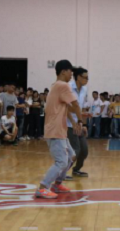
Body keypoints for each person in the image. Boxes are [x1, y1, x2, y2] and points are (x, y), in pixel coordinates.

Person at [34, 60, 84, 200]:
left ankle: (57, 184)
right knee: (61, 161)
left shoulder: (55, 86)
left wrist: (74, 121)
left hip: (59, 130)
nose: (71, 74)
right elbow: (75, 105)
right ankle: (42, 188)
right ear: (63, 71)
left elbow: (68, 108)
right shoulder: (63, 85)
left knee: (71, 156)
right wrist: (81, 122)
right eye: (70, 71)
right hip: (55, 130)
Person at [68, 67, 90, 177]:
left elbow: (81, 109)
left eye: (88, 77)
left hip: (79, 124)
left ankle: (76, 169)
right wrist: (73, 122)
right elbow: (65, 108)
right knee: (75, 150)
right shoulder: (68, 87)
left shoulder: (84, 90)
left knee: (84, 150)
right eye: (85, 77)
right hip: (69, 124)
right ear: (78, 77)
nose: (87, 80)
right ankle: (61, 173)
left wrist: (83, 124)